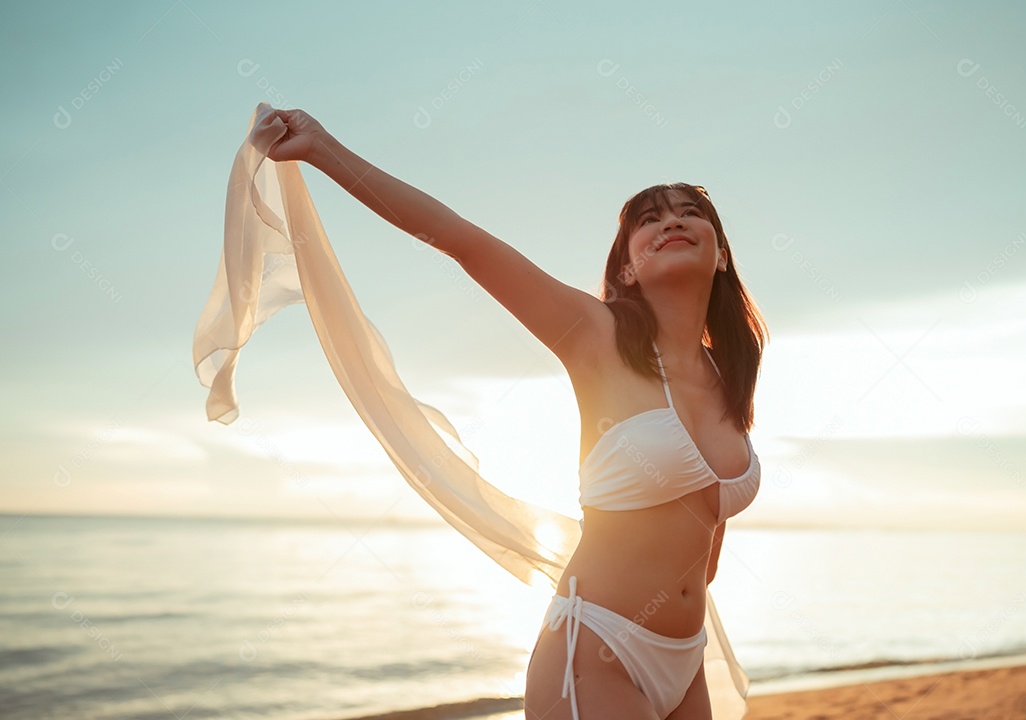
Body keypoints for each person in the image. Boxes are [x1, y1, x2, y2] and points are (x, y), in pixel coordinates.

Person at [264, 108, 768, 719]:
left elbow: (706, 530)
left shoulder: (728, 376)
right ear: (627, 269)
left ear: (720, 256)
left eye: (691, 213)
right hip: (596, 651)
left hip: (687, 658)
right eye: (649, 219)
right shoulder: (595, 335)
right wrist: (322, 148)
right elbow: (459, 239)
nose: (673, 221)